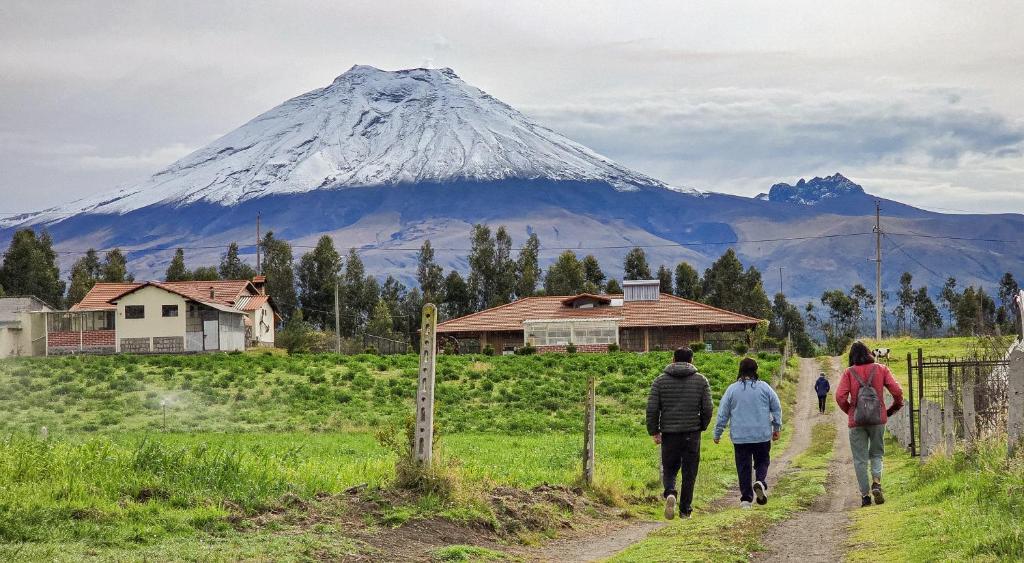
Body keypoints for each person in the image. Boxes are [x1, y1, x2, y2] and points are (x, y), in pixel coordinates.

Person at [646, 346, 714, 520]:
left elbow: (652, 408)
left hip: (669, 433)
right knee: (690, 472)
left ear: (673, 360)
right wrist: (702, 425)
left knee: (669, 468)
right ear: (692, 360)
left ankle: (670, 493)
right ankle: (685, 510)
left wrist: (654, 431)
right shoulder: (701, 381)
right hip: (692, 433)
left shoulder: (659, 381)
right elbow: (708, 407)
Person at [836, 341, 904, 507]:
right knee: (877, 453)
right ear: (869, 353)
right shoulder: (881, 369)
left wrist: (851, 412)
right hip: (878, 419)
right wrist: (891, 409)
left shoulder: (849, 372)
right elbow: (897, 392)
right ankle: (876, 483)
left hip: (856, 422)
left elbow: (840, 397)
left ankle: (865, 496)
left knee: (859, 460)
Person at [713, 358, 783, 509]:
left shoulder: (732, 389)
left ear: (741, 370)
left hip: (740, 437)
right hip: (762, 434)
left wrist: (717, 433)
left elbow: (722, 414)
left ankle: (746, 499)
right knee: (762, 462)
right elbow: (776, 407)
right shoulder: (764, 387)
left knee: (743, 467)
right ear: (755, 370)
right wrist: (777, 428)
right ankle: (760, 482)